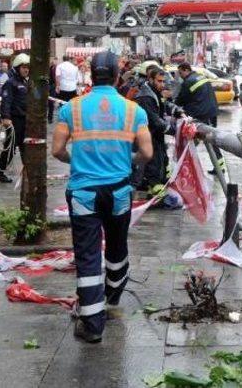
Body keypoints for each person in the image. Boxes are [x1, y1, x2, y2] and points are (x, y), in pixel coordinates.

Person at [51, 51, 153, 343]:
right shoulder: (134, 110)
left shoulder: (72, 108)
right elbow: (147, 153)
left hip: (84, 192)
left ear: (91, 76)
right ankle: (113, 295)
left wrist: (78, 161)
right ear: (118, 76)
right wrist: (125, 160)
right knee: (117, 246)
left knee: (87, 254)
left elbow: (57, 150)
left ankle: (92, 325)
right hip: (120, 191)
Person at [135, 67, 183, 198]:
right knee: (153, 162)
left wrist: (177, 111)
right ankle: (155, 189)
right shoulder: (146, 97)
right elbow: (154, 120)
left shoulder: (154, 92)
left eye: (163, 81)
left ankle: (156, 188)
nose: (162, 84)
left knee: (161, 159)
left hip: (155, 134)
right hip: (148, 135)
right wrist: (175, 130)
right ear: (150, 79)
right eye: (159, 81)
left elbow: (165, 104)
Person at [175, 62, 225, 175]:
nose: (180, 75)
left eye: (180, 72)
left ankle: (185, 167)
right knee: (211, 138)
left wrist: (173, 106)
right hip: (212, 111)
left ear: (186, 69)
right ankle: (219, 166)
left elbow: (181, 99)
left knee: (191, 139)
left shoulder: (188, 82)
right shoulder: (201, 76)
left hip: (201, 114)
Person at [0, 53, 30, 184]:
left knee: (26, 148)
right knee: (10, 149)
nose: (26, 69)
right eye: (23, 67)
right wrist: (6, 118)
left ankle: (29, 173)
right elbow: (6, 101)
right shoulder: (11, 83)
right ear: (17, 68)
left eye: (27, 67)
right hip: (14, 121)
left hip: (25, 120)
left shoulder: (25, 82)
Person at [48, 57, 58, 124]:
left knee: (51, 102)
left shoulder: (54, 68)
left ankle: (50, 117)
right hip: (46, 86)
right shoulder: (49, 68)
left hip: (52, 86)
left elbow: (55, 78)